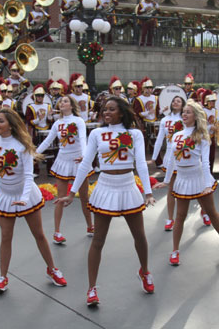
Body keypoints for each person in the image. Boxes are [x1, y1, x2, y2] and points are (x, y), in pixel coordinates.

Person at [58, 97, 155, 306]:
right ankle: (91, 288)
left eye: (111, 109)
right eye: (104, 110)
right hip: (105, 186)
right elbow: (85, 164)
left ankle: (145, 272)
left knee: (139, 236)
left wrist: (148, 192)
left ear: (122, 112)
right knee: (98, 240)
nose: (106, 113)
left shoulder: (134, 134)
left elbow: (141, 163)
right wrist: (72, 192)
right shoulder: (96, 133)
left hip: (128, 185)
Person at [0, 108, 67, 291]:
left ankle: (52, 269)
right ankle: (3, 277)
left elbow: (28, 175)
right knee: (6, 237)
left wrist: (24, 199)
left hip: (26, 195)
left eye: (1, 121)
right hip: (5, 196)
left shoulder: (21, 145)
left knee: (39, 235)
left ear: (11, 124)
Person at [154, 100, 219, 266]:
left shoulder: (202, 135)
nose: (184, 114)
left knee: (212, 212)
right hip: (182, 179)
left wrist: (206, 184)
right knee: (180, 216)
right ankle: (175, 250)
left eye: (188, 112)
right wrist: (167, 181)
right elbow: (173, 160)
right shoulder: (176, 135)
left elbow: (205, 162)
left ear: (196, 116)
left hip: (198, 178)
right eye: (183, 112)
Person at [36, 96, 93, 242]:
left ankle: (90, 226)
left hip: (78, 160)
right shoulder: (57, 123)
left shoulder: (79, 121)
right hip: (62, 161)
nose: (62, 103)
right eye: (60, 102)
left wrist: (84, 156)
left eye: (65, 101)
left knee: (84, 197)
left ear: (72, 106)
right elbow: (48, 140)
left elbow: (83, 139)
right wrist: (33, 154)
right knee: (60, 198)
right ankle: (57, 232)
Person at [151, 96, 185, 230]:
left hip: (185, 156)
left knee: (192, 188)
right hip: (170, 156)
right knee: (171, 189)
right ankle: (170, 219)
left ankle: (204, 212)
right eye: (173, 100)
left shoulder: (186, 118)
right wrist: (154, 158)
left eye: (178, 101)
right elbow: (160, 140)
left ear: (183, 105)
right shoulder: (165, 120)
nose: (175, 102)